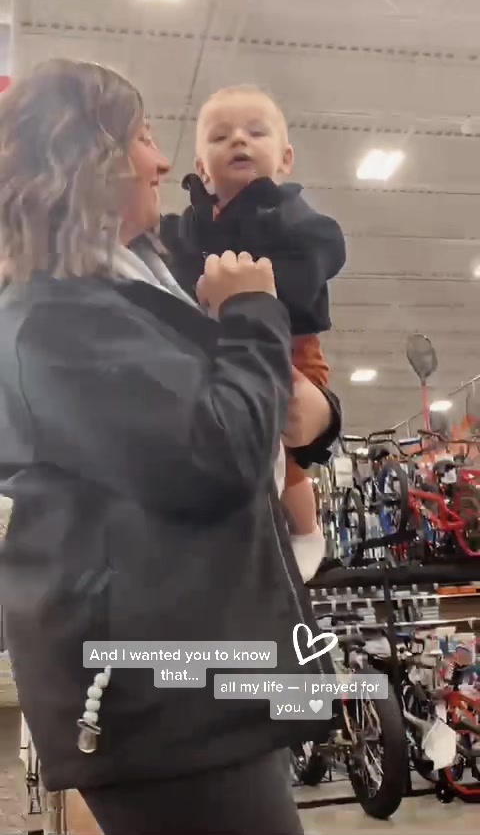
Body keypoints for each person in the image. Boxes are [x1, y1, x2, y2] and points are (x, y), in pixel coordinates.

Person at [0, 59, 341, 835]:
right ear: (86, 157)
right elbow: (215, 457)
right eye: (145, 137)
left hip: (195, 690)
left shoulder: (133, 290)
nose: (161, 162)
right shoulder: (56, 318)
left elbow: (251, 417)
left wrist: (318, 414)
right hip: (161, 707)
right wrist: (254, 312)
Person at [160, 84, 346, 582]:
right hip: (223, 347)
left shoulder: (291, 216)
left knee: (285, 443)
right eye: (220, 136)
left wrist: (255, 289)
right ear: (202, 167)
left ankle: (306, 529)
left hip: (291, 344)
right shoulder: (190, 224)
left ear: (285, 158)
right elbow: (169, 251)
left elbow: (324, 250)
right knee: (236, 435)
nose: (239, 141)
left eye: (255, 132)